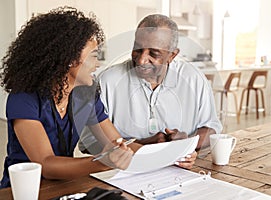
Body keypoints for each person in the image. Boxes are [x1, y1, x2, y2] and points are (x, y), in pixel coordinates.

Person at [0, 7, 139, 188]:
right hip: (23, 191)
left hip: (65, 185)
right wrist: (101, 162)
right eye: (94, 56)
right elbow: (46, 163)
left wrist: (169, 155)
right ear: (69, 59)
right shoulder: (24, 98)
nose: (98, 64)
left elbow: (117, 143)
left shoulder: (86, 96)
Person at [79, 14, 222, 154]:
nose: (141, 60)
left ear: (172, 55)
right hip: (124, 171)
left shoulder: (193, 79)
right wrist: (143, 145)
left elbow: (212, 129)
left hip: (180, 169)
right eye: (138, 49)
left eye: (154, 53)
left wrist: (185, 144)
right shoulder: (107, 81)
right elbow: (88, 143)